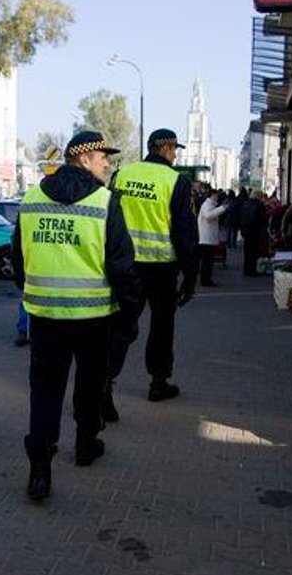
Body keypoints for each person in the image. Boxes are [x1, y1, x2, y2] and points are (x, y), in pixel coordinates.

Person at [11, 130, 140, 501]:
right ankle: (86, 445)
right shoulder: (104, 202)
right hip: (93, 317)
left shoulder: (32, 198)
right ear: (83, 159)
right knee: (90, 384)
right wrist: (129, 314)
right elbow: (121, 267)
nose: (107, 164)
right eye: (103, 157)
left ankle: (39, 470)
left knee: (45, 392)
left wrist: (34, 289)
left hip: (45, 316)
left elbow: (19, 260)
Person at [108, 128, 199, 418]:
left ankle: (104, 385)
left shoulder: (122, 174)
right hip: (161, 269)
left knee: (121, 326)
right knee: (162, 327)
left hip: (126, 266)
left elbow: (107, 219)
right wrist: (191, 276)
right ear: (165, 148)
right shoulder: (176, 181)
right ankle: (158, 383)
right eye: (175, 149)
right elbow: (185, 234)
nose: (176, 155)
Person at [197, 190, 227, 287]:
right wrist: (222, 209)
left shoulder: (211, 205)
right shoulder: (207, 205)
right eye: (216, 195)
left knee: (208, 261)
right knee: (207, 261)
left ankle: (206, 279)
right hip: (206, 239)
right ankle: (205, 280)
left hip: (208, 238)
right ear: (212, 195)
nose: (217, 197)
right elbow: (208, 216)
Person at [240, 189, 269, 276]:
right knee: (254, 252)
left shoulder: (245, 204)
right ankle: (252, 270)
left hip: (246, 231)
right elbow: (263, 221)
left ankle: (246, 269)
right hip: (256, 232)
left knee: (247, 251)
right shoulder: (260, 205)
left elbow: (241, 217)